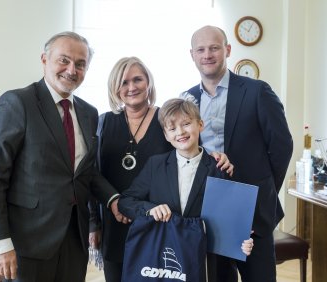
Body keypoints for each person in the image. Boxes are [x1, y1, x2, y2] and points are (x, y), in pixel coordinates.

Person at [0, 31, 126, 282]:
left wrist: (113, 198)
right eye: (64, 60)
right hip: (27, 241)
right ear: (44, 59)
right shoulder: (17, 102)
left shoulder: (89, 113)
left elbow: (85, 173)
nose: (72, 70)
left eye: (80, 64)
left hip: (74, 240)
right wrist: (0, 244)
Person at [89, 57, 233, 282]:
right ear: (114, 87)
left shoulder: (165, 119)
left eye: (138, 79)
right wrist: (97, 219)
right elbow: (91, 173)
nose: (132, 87)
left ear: (149, 82)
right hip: (116, 220)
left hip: (162, 225)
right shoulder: (103, 122)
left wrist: (216, 156)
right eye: (124, 82)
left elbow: (189, 151)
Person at [181, 25, 293, 282]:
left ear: (227, 50)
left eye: (214, 48)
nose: (207, 54)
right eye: (201, 49)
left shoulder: (257, 91)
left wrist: (263, 191)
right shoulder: (187, 99)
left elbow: (282, 146)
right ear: (192, 55)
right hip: (206, 211)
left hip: (252, 209)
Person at [117, 97, 254, 281]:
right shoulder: (155, 165)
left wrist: (242, 241)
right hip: (165, 264)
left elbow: (231, 221)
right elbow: (125, 202)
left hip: (208, 264)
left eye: (186, 124)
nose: (180, 132)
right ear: (166, 135)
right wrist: (150, 209)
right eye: (172, 128)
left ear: (200, 124)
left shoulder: (220, 167)